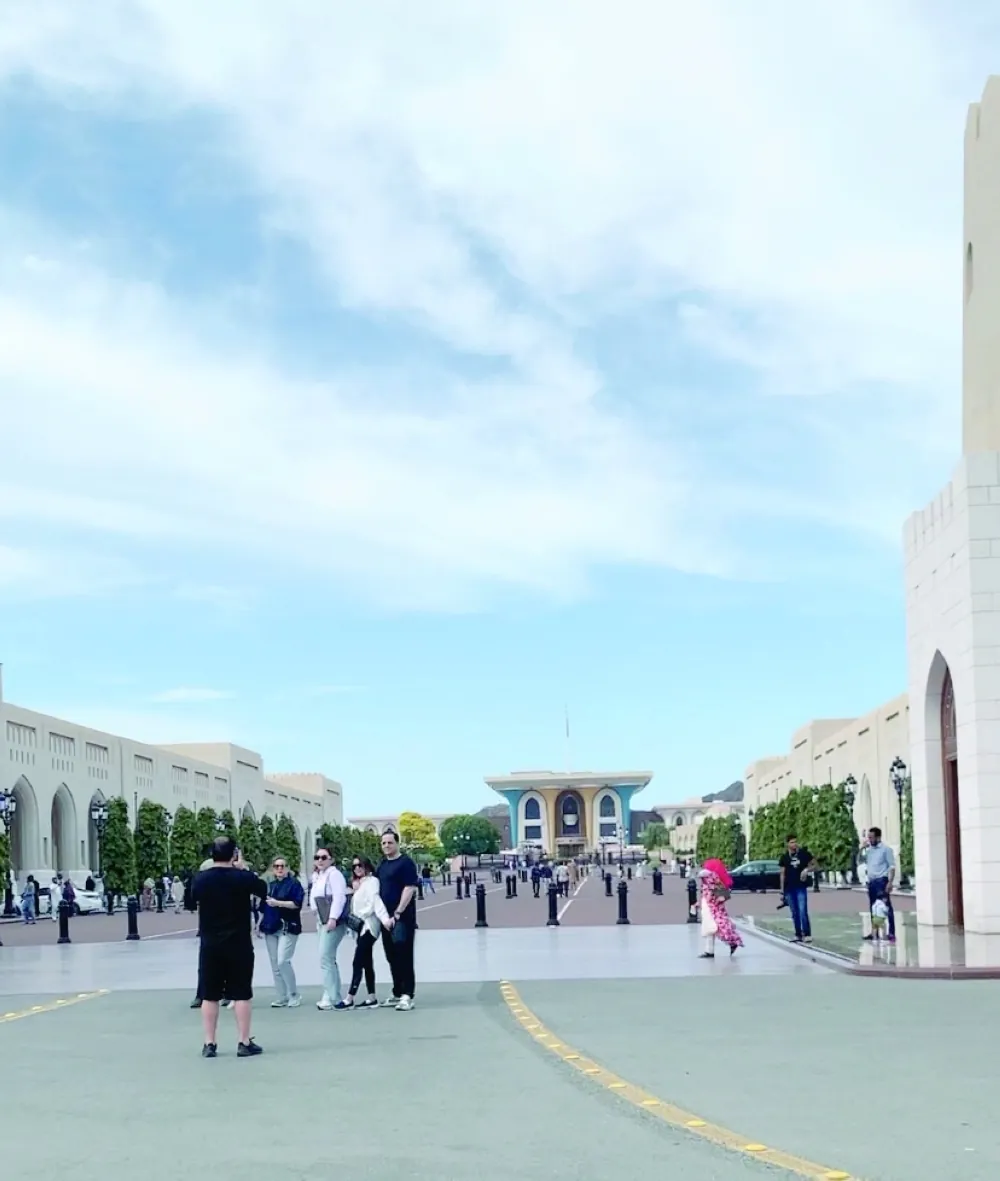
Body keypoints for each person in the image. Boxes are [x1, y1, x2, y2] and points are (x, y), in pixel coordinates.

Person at [190, 836, 267, 1058]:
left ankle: (209, 1043)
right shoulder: (243, 877)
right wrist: (242, 868)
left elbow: (190, 901)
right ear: (234, 854)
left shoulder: (201, 879)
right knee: (242, 993)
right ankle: (243, 1041)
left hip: (210, 943)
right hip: (239, 942)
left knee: (209, 995)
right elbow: (263, 889)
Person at [376, 829, 419, 1011]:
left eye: (390, 842)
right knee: (391, 956)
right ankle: (397, 992)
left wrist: (398, 912)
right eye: (384, 843)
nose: (386, 846)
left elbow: (409, 888)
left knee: (404, 954)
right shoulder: (382, 865)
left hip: (402, 918)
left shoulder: (406, 863)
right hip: (385, 919)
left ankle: (407, 994)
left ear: (397, 843)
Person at [340, 857, 391, 1008]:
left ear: (367, 866)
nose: (357, 868)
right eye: (354, 866)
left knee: (358, 961)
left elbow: (375, 901)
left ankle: (349, 998)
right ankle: (372, 997)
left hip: (369, 926)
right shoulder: (360, 883)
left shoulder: (372, 881)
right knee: (367, 962)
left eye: (360, 865)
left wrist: (385, 919)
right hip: (361, 928)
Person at [260, 856, 305, 1008]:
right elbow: (263, 906)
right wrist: (259, 924)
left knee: (283, 960)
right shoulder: (271, 885)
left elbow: (296, 904)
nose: (279, 869)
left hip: (288, 926)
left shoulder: (294, 884)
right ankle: (282, 996)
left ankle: (293, 994)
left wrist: (278, 903)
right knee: (275, 964)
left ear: (287, 868)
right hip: (270, 926)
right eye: (276, 866)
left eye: (282, 866)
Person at [311, 846, 349, 1011]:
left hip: (332, 921)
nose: (320, 860)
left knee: (325, 957)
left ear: (331, 859)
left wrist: (333, 918)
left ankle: (334, 998)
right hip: (322, 920)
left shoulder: (334, 875)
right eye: (317, 857)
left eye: (324, 857)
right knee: (327, 958)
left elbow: (339, 897)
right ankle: (329, 993)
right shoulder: (318, 876)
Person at [698, 858, 742, 958]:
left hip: (710, 905)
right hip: (716, 905)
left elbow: (702, 877)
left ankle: (712, 950)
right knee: (718, 925)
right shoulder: (718, 877)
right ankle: (728, 943)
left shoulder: (709, 876)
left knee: (712, 926)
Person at [779, 834, 818, 943]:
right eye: (792, 842)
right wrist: (782, 891)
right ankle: (798, 934)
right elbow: (782, 874)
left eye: (795, 842)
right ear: (787, 844)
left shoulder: (803, 854)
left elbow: (815, 865)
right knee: (794, 912)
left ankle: (807, 934)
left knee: (802, 910)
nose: (794, 844)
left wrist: (806, 870)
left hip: (800, 887)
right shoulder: (784, 857)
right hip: (789, 888)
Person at [862, 827, 896, 943]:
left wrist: (890, 882)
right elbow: (860, 861)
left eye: (871, 837)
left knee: (886, 907)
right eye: (869, 837)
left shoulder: (886, 850)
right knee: (873, 908)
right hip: (871, 882)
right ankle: (875, 933)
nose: (870, 840)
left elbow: (892, 866)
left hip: (882, 881)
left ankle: (891, 933)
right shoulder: (869, 850)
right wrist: (862, 849)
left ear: (878, 837)